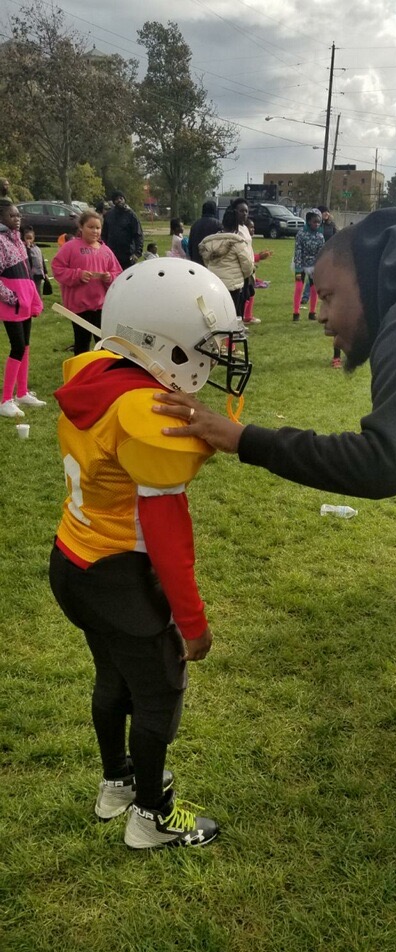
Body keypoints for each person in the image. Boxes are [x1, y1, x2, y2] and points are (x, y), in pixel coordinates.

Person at [151, 206, 396, 907]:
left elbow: (382, 462)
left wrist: (244, 438)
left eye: (329, 294)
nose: (318, 313)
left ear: (371, 275)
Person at [49, 258, 252, 851]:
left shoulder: (99, 374)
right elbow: (167, 537)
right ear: (164, 341)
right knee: (160, 691)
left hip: (74, 558)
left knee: (113, 677)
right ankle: (151, 816)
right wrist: (192, 621)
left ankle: (116, 784)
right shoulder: (142, 411)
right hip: (120, 573)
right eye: (205, 346)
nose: (213, 359)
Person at [52, 210, 122, 356]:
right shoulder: (70, 247)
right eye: (91, 227)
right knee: (82, 342)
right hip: (79, 307)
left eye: (98, 228)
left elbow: (118, 274)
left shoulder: (106, 251)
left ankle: (103, 368)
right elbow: (57, 268)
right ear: (81, 227)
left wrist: (109, 277)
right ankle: (81, 368)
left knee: (104, 343)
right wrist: (78, 275)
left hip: (101, 306)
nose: (95, 231)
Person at [0, 199, 45, 417]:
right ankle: (6, 399)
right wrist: (13, 298)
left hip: (25, 302)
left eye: (18, 215)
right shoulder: (0, 241)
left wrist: (33, 299)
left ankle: (22, 392)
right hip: (12, 304)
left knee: (25, 345)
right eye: (12, 216)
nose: (17, 219)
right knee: (17, 346)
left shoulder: (18, 240)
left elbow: (27, 275)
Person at [199, 208, 254, 318]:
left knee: (217, 313)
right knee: (232, 314)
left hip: (214, 283)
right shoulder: (237, 242)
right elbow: (247, 265)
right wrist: (244, 276)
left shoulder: (209, 242)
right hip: (232, 285)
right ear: (236, 226)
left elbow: (206, 261)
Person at [292, 209, 325, 322]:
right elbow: (298, 251)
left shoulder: (320, 236)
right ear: (309, 221)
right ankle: (296, 313)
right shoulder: (301, 234)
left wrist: (319, 267)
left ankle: (312, 312)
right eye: (314, 221)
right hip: (300, 264)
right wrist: (298, 269)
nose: (317, 224)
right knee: (299, 288)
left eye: (319, 222)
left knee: (314, 289)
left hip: (313, 266)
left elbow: (321, 253)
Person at [101, 190, 143, 270]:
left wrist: (137, 253)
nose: (119, 200)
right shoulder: (109, 215)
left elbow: (138, 234)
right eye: (117, 199)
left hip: (128, 255)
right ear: (114, 201)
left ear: (124, 199)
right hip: (112, 254)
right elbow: (104, 235)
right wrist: (103, 249)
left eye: (121, 198)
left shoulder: (131, 215)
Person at [243, 218, 272, 325]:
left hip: (250, 271)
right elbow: (245, 257)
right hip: (245, 272)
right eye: (251, 227)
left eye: (253, 227)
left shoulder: (248, 240)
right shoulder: (243, 240)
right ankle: (244, 317)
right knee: (247, 294)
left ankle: (248, 316)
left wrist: (259, 256)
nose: (253, 230)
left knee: (251, 293)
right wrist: (259, 257)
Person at [188, 200, 222, 265]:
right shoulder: (218, 225)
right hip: (212, 261)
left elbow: (190, 245)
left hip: (197, 260)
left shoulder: (195, 225)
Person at [21, 225, 50, 297]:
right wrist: (28, 248)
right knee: (30, 290)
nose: (29, 240)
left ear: (33, 238)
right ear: (24, 238)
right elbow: (26, 259)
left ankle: (38, 302)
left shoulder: (37, 248)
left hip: (39, 273)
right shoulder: (23, 248)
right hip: (30, 274)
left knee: (37, 290)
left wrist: (45, 272)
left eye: (30, 238)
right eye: (27, 238)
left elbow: (42, 260)